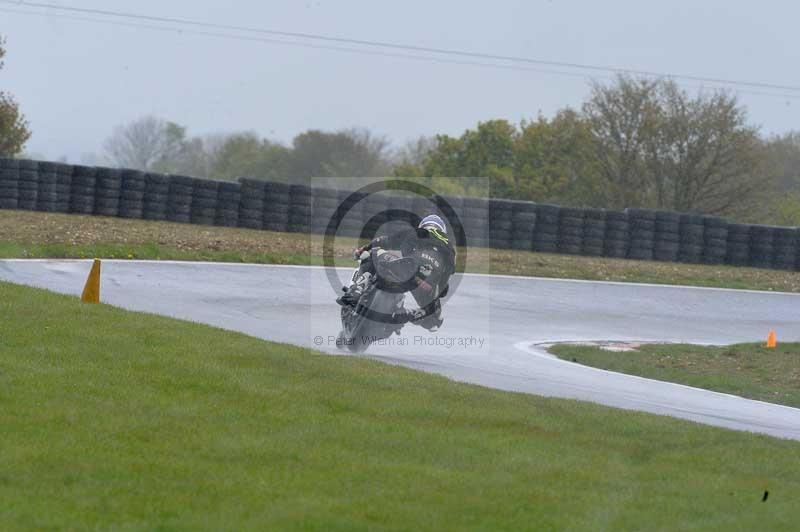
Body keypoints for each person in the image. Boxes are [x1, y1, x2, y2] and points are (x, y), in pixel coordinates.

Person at [337, 214, 456, 332]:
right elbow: (446, 279)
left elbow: (387, 241)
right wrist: (434, 297)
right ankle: (408, 314)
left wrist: (364, 249)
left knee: (374, 252)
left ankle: (356, 290)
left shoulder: (419, 231)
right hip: (428, 282)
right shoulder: (450, 248)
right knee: (434, 321)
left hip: (410, 267)